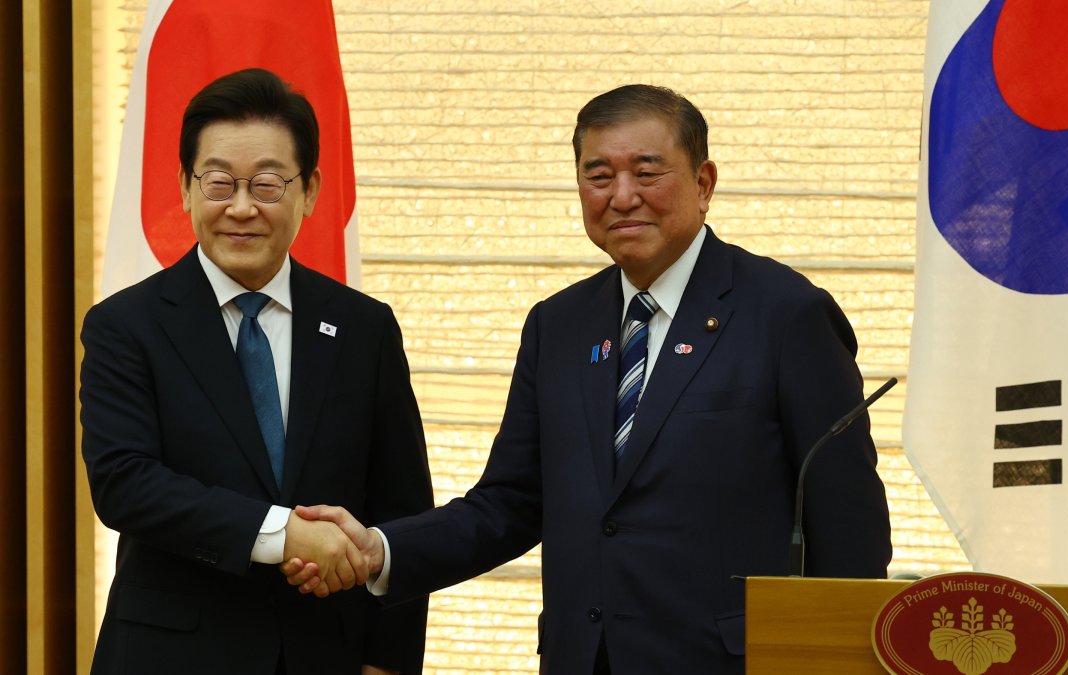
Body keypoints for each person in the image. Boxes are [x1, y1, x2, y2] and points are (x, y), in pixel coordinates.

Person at [286, 84, 891, 674]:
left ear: (704, 184)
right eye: (599, 176)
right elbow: (511, 503)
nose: (622, 196)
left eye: (647, 172)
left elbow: (849, 526)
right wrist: (380, 550)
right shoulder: (559, 325)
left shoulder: (786, 314)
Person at [80, 68, 433, 675]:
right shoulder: (125, 325)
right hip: (171, 655)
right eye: (218, 183)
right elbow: (125, 484)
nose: (241, 208)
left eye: (267, 185)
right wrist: (282, 535)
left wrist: (390, 661)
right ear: (186, 188)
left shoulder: (364, 328)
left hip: (327, 653)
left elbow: (403, 509)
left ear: (311, 190)